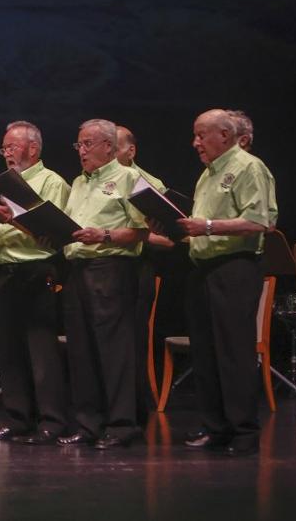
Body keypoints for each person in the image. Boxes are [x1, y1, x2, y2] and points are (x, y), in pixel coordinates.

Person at [177, 109, 275, 457]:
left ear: (225, 134)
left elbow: (258, 221)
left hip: (234, 267)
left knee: (234, 352)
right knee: (205, 353)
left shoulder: (249, 167)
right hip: (203, 268)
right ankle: (215, 426)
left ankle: (244, 431)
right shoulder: (208, 175)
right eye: (195, 135)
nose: (196, 143)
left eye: (201, 135)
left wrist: (205, 227)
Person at [0, 121, 70, 444]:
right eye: (4, 148)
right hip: (4, 271)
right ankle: (18, 418)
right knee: (9, 350)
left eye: (12, 148)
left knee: (41, 350)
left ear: (33, 148)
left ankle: (51, 421)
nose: (7, 154)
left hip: (37, 269)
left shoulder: (51, 182)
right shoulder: (3, 183)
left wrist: (11, 218)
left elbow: (54, 235)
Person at [58, 118, 149, 449]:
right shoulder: (79, 183)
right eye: (78, 145)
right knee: (81, 349)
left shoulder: (129, 178)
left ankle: (122, 424)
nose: (81, 151)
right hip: (77, 268)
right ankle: (87, 423)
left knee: (114, 350)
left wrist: (105, 234)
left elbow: (141, 231)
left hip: (110, 267)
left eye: (87, 144)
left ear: (109, 147)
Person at [116, 124, 176, 425]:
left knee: (132, 342)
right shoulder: (93, 181)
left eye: (115, 146)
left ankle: (135, 410)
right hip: (108, 269)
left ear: (131, 150)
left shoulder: (148, 184)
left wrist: (130, 235)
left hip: (139, 270)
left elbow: (169, 239)